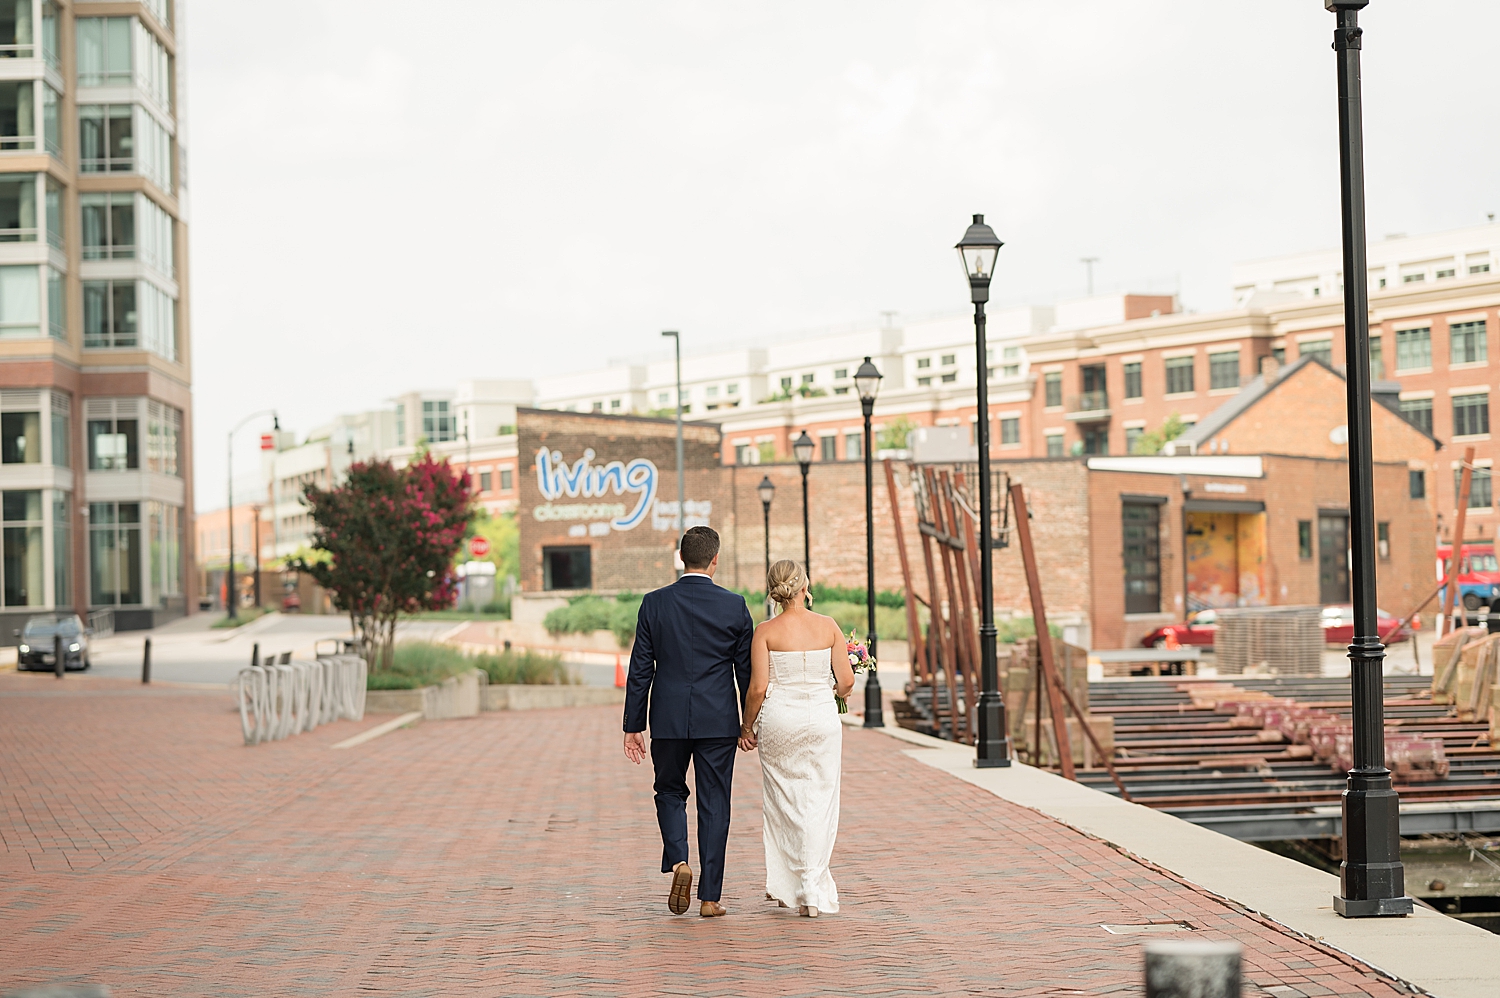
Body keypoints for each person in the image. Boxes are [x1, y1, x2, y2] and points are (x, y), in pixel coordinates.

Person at [622, 525, 753, 918]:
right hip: (718, 719)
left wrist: (633, 725)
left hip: (668, 717)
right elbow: (745, 672)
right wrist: (749, 723)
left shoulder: (655, 603)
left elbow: (640, 669)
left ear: (682, 558)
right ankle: (710, 898)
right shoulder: (735, 606)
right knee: (715, 804)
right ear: (715, 560)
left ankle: (679, 862)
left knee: (669, 790)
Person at [738, 560, 854, 918]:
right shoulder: (828, 626)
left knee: (784, 801)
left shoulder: (765, 631)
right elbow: (846, 681)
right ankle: (811, 885)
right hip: (821, 719)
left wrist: (746, 728)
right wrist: (831, 693)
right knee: (820, 800)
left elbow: (757, 688)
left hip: (780, 722)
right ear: (805, 586)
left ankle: (789, 884)